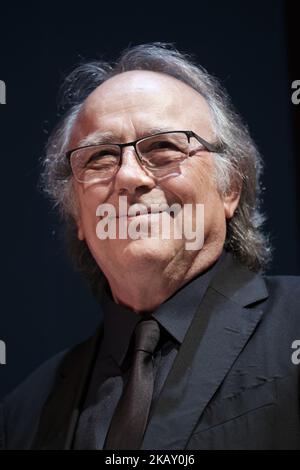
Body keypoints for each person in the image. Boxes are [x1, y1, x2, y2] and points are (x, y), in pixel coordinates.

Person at [1, 43, 300, 450]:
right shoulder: (24, 415)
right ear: (79, 218)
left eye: (163, 147)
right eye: (101, 157)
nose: (128, 177)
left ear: (229, 188)